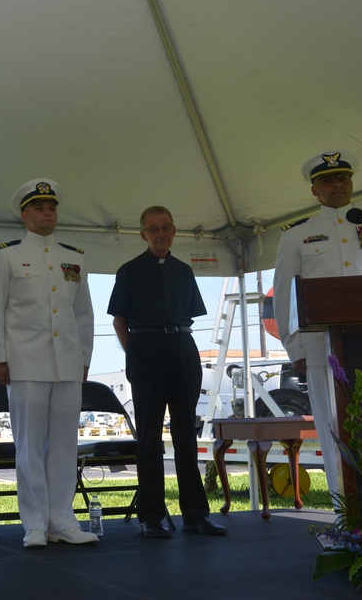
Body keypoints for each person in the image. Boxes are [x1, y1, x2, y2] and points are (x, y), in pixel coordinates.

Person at [0, 178, 98, 548]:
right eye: (38, 208)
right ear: (24, 215)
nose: (47, 213)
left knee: (65, 445)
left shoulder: (75, 257)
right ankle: (34, 523)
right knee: (30, 446)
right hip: (25, 364)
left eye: (51, 207)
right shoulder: (6, 255)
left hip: (66, 365)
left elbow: (83, 315)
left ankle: (61, 519)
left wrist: (84, 359)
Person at [107, 205, 227, 538]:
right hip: (145, 350)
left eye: (167, 228)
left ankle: (196, 515)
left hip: (182, 350)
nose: (161, 234)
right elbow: (119, 320)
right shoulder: (129, 271)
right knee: (148, 437)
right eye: (154, 229)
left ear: (174, 232)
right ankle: (151, 516)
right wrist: (135, 354)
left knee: (186, 433)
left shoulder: (184, 271)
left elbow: (188, 315)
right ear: (144, 234)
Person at [274, 151, 362, 495]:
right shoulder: (296, 235)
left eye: (342, 178)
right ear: (314, 190)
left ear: (351, 183)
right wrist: (294, 348)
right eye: (327, 180)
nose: (336, 184)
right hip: (323, 350)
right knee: (334, 429)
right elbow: (283, 296)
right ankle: (347, 517)